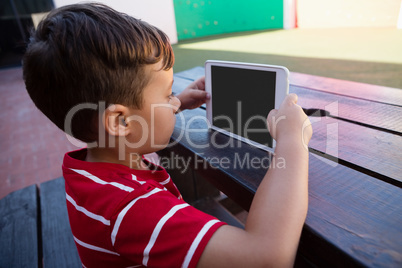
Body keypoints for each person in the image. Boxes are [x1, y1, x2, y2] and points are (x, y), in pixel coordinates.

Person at [23, 3, 312, 268]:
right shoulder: (131, 208)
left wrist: (176, 102)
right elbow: (267, 258)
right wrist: (292, 143)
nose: (172, 99)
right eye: (166, 92)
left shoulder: (95, 169)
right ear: (120, 121)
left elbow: (135, 122)